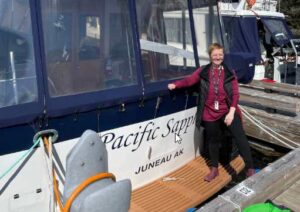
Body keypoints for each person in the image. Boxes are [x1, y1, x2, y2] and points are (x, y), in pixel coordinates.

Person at [168, 43, 255, 182]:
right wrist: (176, 85)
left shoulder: (229, 72)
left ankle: (249, 168)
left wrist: (231, 113)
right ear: (210, 56)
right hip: (209, 112)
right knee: (213, 141)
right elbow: (190, 80)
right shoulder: (203, 71)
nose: (217, 57)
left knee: (240, 138)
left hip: (227, 111)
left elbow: (235, 94)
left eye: (220, 54)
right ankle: (214, 169)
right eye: (215, 55)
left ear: (223, 56)